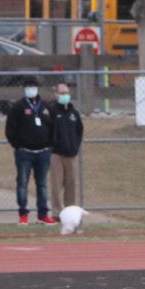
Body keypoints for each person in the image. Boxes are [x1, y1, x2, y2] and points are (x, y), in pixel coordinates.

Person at [5, 75, 56, 225]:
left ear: (38, 89)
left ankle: (43, 214)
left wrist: (50, 146)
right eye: (28, 87)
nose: (31, 90)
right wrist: (18, 146)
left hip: (43, 153)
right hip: (24, 153)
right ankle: (23, 214)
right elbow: (10, 130)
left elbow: (54, 128)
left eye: (33, 87)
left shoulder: (46, 106)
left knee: (42, 184)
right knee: (22, 183)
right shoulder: (18, 106)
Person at [50, 80, 84, 210]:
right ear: (56, 95)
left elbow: (79, 131)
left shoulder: (74, 113)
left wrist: (75, 146)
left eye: (66, 93)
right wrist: (52, 146)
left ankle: (70, 211)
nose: (65, 95)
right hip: (56, 154)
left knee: (71, 185)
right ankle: (57, 212)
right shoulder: (51, 111)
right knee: (56, 185)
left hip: (71, 154)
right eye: (62, 93)